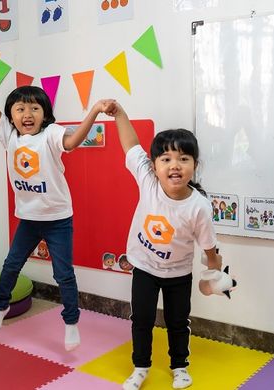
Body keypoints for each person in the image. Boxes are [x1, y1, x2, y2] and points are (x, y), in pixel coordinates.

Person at [0, 64, 110, 350]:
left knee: (63, 273)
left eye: (35, 108)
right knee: (11, 264)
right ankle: (0, 306)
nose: (27, 114)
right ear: (11, 115)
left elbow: (73, 141)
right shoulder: (9, 136)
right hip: (28, 218)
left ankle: (71, 323)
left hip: (58, 218)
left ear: (45, 114)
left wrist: (95, 110)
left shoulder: (51, 134)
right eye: (20, 109)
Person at [105, 101, 221, 390]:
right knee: (141, 319)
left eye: (183, 159)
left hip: (178, 274)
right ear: (154, 165)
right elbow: (131, 143)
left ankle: (180, 366)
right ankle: (140, 366)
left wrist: (215, 271)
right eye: (166, 159)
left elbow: (209, 248)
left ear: (195, 165)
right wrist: (119, 113)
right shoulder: (147, 181)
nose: (175, 166)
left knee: (178, 322)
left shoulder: (199, 206)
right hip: (144, 267)